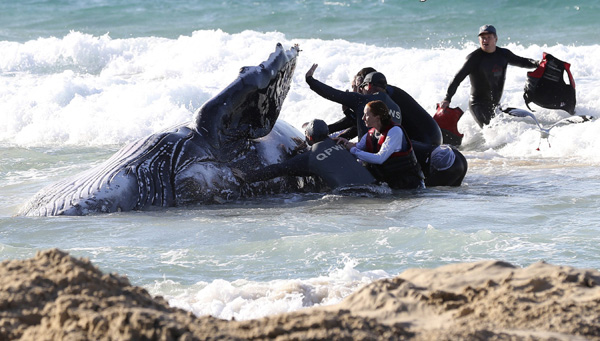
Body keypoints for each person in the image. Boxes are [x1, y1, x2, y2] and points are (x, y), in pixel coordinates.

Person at [440, 25, 539, 128]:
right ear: (479, 40)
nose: (485, 40)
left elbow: (523, 62)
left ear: (495, 39)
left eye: (488, 37)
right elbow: (457, 79)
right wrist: (447, 99)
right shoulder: (473, 58)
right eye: (482, 37)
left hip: (495, 105)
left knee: (502, 132)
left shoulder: (504, 54)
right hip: (478, 105)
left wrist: (537, 63)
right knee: (492, 131)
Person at [233, 119, 376, 190]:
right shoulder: (342, 145)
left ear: (310, 138)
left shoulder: (311, 157)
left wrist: (247, 177)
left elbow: (279, 169)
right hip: (373, 186)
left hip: (349, 195)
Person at [331, 67, 442, 146]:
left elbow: (359, 124)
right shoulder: (385, 91)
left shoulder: (382, 97)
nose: (356, 91)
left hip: (424, 142)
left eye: (358, 87)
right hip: (434, 138)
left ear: (367, 84)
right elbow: (362, 123)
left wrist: (330, 132)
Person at [336, 100, 424, 190]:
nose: (363, 118)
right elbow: (358, 147)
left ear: (377, 117)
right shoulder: (371, 133)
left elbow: (380, 158)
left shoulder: (395, 131)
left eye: (366, 115)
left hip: (411, 187)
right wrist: (345, 142)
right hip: (392, 185)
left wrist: (353, 150)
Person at [305, 64, 401, 140]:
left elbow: (332, 93)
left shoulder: (363, 100)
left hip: (368, 159)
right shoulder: (396, 107)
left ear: (369, 86)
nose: (360, 91)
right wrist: (348, 112)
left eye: (362, 87)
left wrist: (310, 80)